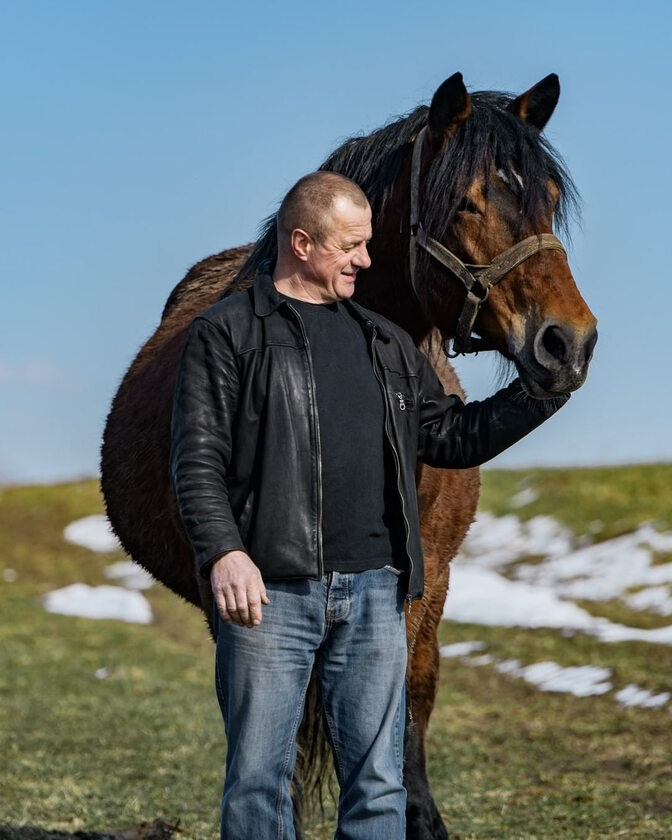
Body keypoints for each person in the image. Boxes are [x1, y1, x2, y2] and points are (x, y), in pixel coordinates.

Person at [170, 172, 569, 839]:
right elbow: (198, 458)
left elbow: (450, 434)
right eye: (349, 246)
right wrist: (224, 552)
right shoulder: (226, 334)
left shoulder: (385, 343)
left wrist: (541, 392)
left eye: (367, 244)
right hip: (271, 596)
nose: (364, 258)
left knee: (379, 784)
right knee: (260, 783)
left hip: (374, 596)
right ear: (301, 243)